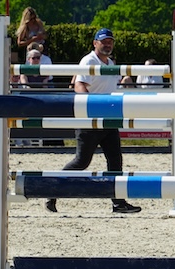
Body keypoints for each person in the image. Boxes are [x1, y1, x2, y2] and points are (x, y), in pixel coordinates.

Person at [49, 28, 141, 215]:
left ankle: (118, 202)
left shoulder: (111, 62)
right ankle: (51, 191)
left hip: (108, 119)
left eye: (110, 41)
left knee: (115, 161)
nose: (107, 44)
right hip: (91, 120)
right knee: (81, 162)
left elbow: (111, 86)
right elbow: (79, 84)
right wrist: (90, 106)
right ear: (95, 43)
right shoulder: (89, 61)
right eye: (104, 41)